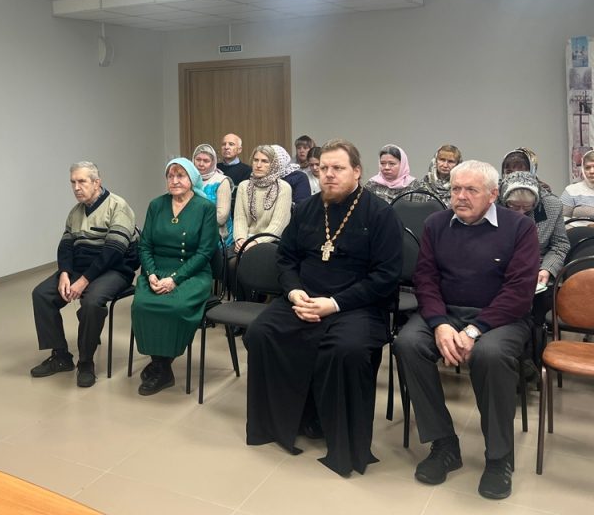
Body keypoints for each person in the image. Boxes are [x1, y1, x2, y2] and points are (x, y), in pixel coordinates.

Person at [243, 139, 401, 476]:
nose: (328, 174)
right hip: (306, 297)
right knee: (261, 332)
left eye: (338, 168)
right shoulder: (307, 209)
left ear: (356, 172)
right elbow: (286, 258)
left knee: (345, 349)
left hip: (357, 305)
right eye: (324, 168)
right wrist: (294, 292)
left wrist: (335, 303)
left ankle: (338, 436)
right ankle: (286, 421)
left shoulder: (380, 214)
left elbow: (386, 276)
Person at [393, 160, 540, 500]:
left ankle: (499, 458)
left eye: (470, 190)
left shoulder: (519, 227)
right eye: (456, 189)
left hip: (502, 317)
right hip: (446, 312)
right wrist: (440, 323)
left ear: (493, 194)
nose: (460, 196)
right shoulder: (436, 224)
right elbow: (425, 279)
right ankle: (444, 444)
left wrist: (476, 330)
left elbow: (519, 292)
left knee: (490, 354)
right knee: (407, 344)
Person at [31, 162, 139, 388]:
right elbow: (65, 246)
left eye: (82, 181)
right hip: (81, 269)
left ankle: (86, 362)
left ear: (97, 182)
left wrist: (83, 281)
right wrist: (64, 273)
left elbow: (113, 251)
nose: (76, 187)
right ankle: (61, 356)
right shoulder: (76, 212)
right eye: (73, 182)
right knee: (41, 294)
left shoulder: (118, 207)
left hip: (115, 269)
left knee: (91, 302)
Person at [131, 158, 218, 396]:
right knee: (142, 305)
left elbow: (205, 252)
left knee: (174, 307)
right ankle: (161, 366)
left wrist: (175, 279)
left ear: (192, 179)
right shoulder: (156, 205)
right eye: (170, 176)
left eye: (181, 175)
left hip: (192, 272)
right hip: (157, 271)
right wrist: (150, 274)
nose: (175, 180)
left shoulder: (205, 207)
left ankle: (161, 366)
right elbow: (145, 245)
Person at [499, 172, 568, 332]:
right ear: (504, 200)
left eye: (527, 207)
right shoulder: (493, 207)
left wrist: (547, 269)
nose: (521, 212)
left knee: (540, 304)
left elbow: (560, 245)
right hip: (501, 268)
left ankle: (536, 337)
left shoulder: (551, 206)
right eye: (514, 206)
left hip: (538, 267)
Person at [233, 145, 292, 253]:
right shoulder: (243, 186)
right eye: (256, 160)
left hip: (271, 242)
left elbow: (278, 225)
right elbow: (239, 218)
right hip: (245, 240)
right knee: (231, 261)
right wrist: (240, 239)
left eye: (265, 161)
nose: (259, 165)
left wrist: (256, 242)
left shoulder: (283, 188)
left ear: (273, 164)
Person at [192, 143, 233, 247]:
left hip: (217, 236)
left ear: (213, 162)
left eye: (206, 161)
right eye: (198, 159)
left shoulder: (221, 181)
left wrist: (195, 225)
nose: (201, 164)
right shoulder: (189, 180)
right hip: (191, 234)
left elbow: (221, 217)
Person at [561, 148, 594, 223]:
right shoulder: (571, 191)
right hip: (578, 230)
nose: (592, 171)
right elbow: (560, 220)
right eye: (587, 168)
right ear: (583, 169)